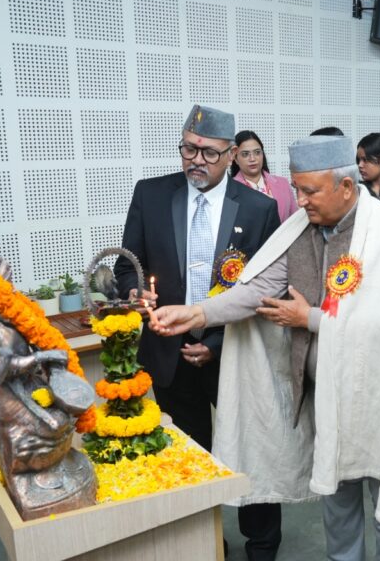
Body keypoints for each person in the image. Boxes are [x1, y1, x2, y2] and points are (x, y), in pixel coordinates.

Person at [149, 135, 380, 561]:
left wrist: (310, 319)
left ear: (345, 186)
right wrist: (196, 314)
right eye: (297, 188)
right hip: (324, 396)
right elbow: (257, 290)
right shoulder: (301, 230)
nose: (299, 201)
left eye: (310, 191)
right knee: (337, 501)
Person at [114, 105, 282, 560]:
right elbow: (128, 266)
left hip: (234, 352)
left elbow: (268, 290)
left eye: (209, 153)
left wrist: (217, 342)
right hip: (169, 351)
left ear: (232, 155)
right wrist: (133, 292)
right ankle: (207, 544)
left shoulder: (260, 209)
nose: (196, 160)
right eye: (189, 149)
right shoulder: (151, 194)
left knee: (249, 451)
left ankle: (262, 544)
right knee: (189, 458)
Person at [231, 130, 298, 223]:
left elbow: (295, 221)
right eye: (245, 154)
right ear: (236, 159)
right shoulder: (230, 189)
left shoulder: (283, 184)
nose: (252, 159)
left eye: (257, 152)